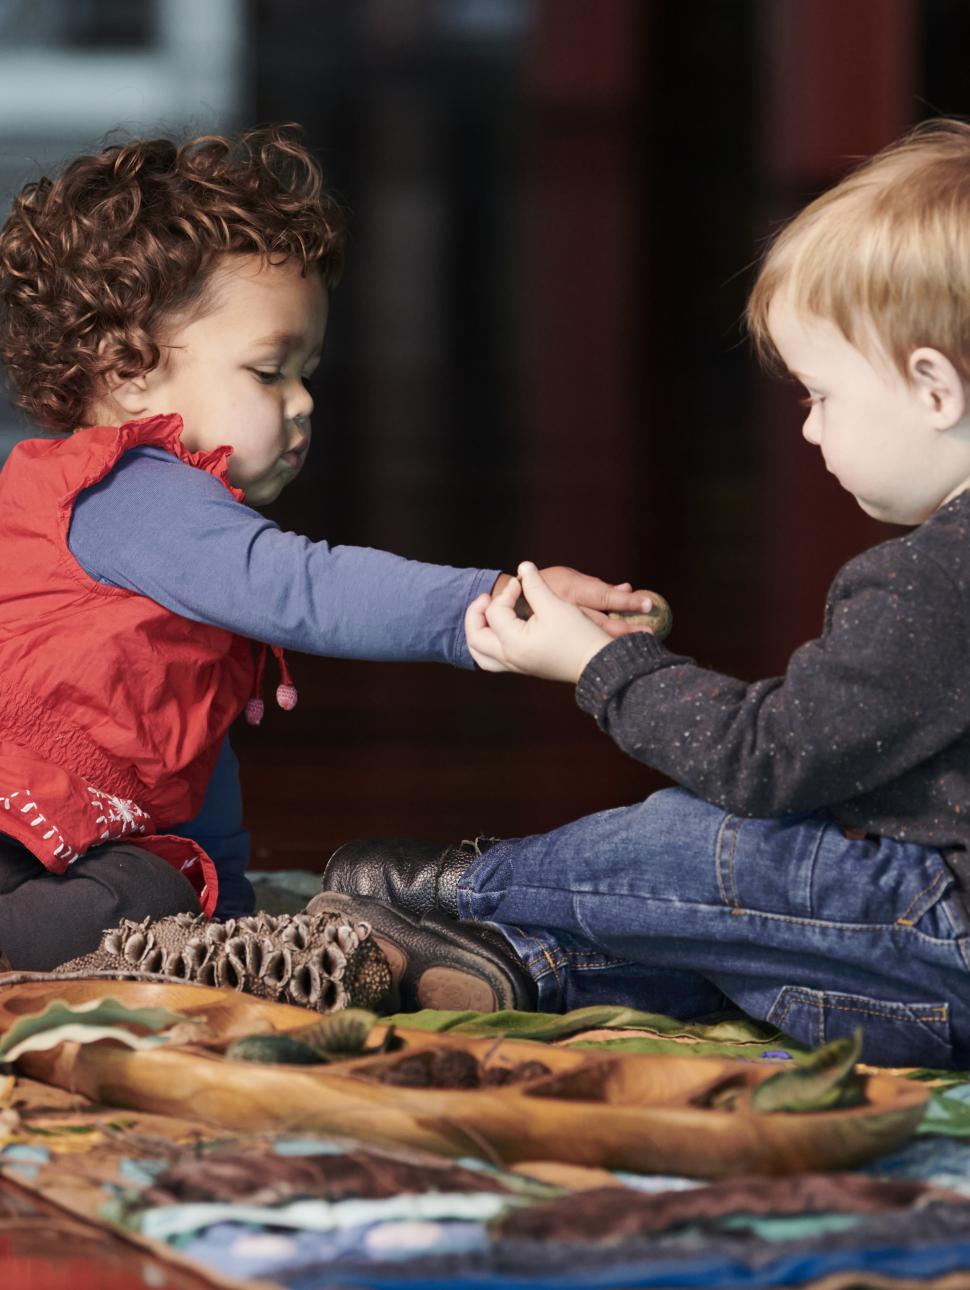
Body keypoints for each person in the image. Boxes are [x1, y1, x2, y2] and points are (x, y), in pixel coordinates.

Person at [320, 118, 970, 1068]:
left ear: (932, 389)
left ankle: (472, 889)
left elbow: (767, 761)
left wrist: (604, 663)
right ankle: (526, 967)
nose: (809, 431)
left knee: (708, 847)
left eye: (819, 394)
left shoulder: (934, 579)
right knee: (741, 928)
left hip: (941, 955)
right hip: (923, 963)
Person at [0, 124, 648, 975]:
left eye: (309, 371)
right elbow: (304, 588)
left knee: (162, 891)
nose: (303, 402)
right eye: (269, 373)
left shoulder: (176, 531)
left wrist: (228, 913)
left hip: (71, 839)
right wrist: (484, 607)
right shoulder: (132, 496)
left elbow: (193, 767)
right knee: (145, 900)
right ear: (129, 372)